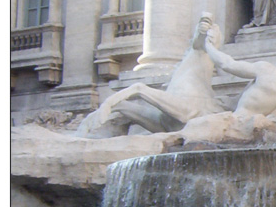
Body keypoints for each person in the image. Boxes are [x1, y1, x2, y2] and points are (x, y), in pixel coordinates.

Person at [76, 15, 225, 136]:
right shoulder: (190, 57)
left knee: (139, 88)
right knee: (122, 106)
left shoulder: (206, 53)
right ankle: (86, 129)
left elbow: (203, 41)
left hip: (190, 113)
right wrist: (202, 27)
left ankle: (110, 104)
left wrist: (206, 28)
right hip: (168, 121)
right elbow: (198, 40)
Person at [199, 15, 276, 120]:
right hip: (252, 133)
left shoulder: (270, 71)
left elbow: (227, 64)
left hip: (234, 123)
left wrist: (208, 46)